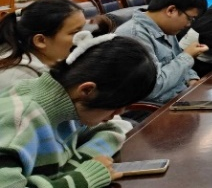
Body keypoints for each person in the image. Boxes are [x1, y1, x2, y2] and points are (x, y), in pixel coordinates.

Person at [0, 33, 157, 188]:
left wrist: (73, 167)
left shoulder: (68, 102)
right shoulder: (20, 119)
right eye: (115, 106)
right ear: (87, 90)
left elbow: (113, 130)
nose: (117, 114)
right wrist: (83, 178)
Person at [114, 0, 208, 104]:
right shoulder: (134, 35)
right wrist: (187, 56)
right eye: (189, 18)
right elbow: (152, 87)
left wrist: (192, 80)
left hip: (179, 98)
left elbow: (177, 60)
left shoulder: (166, 29)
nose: (188, 24)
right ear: (171, 10)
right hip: (157, 108)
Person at [0, 0, 86, 90]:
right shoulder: (17, 80)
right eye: (75, 32)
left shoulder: (55, 63)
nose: (86, 36)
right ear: (40, 41)